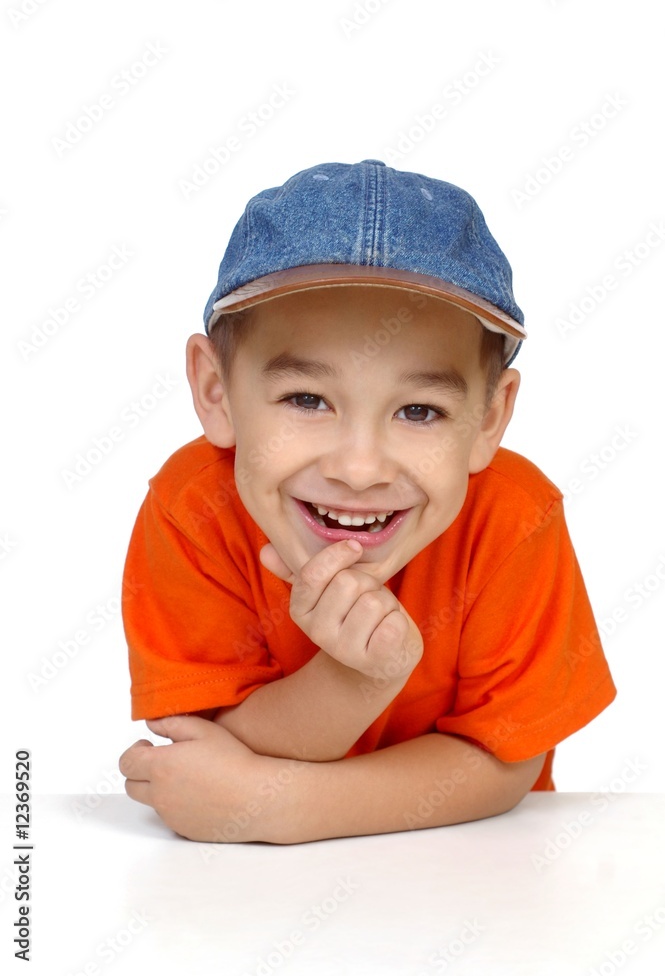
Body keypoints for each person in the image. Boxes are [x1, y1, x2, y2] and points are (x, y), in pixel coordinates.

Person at [118, 159, 616, 844]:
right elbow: (211, 745)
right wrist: (357, 679)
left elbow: (507, 763)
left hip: (481, 885)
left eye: (418, 410)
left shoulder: (514, 518)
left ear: (489, 419)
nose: (358, 469)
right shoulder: (190, 509)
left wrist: (283, 807)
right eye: (306, 399)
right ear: (215, 391)